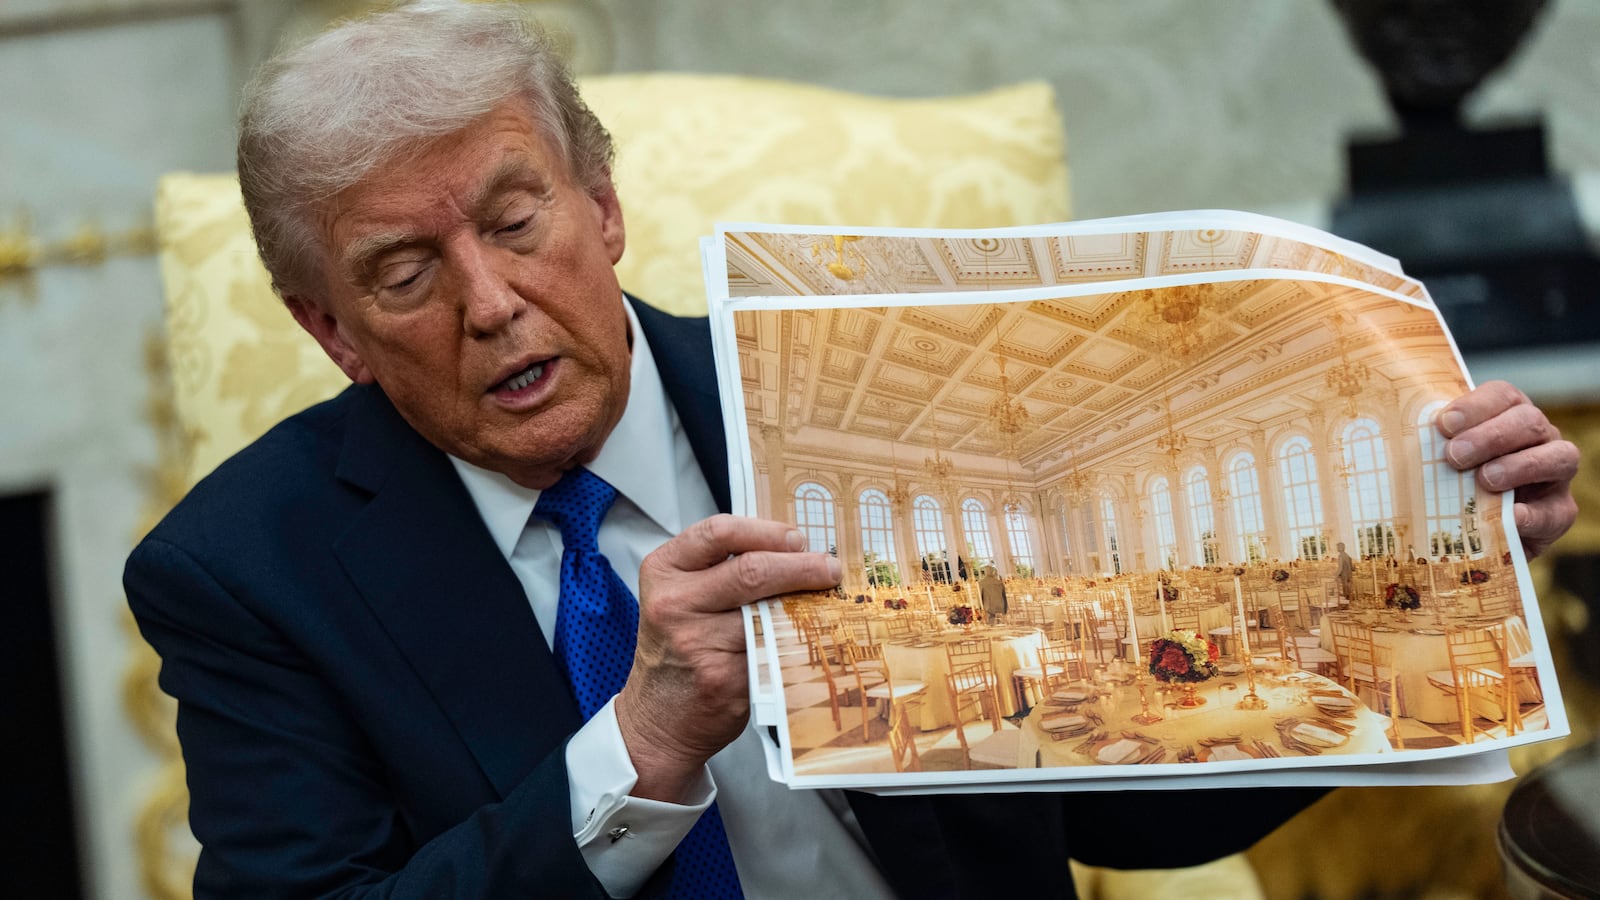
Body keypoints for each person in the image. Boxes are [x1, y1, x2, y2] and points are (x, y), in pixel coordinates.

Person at [123, 3, 1582, 897]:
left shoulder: (874, 403)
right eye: (403, 273)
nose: (491, 302)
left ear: (604, 209)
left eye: (517, 223)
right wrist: (630, 759)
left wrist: (1438, 566)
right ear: (331, 330)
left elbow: (1132, 798)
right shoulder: (245, 573)